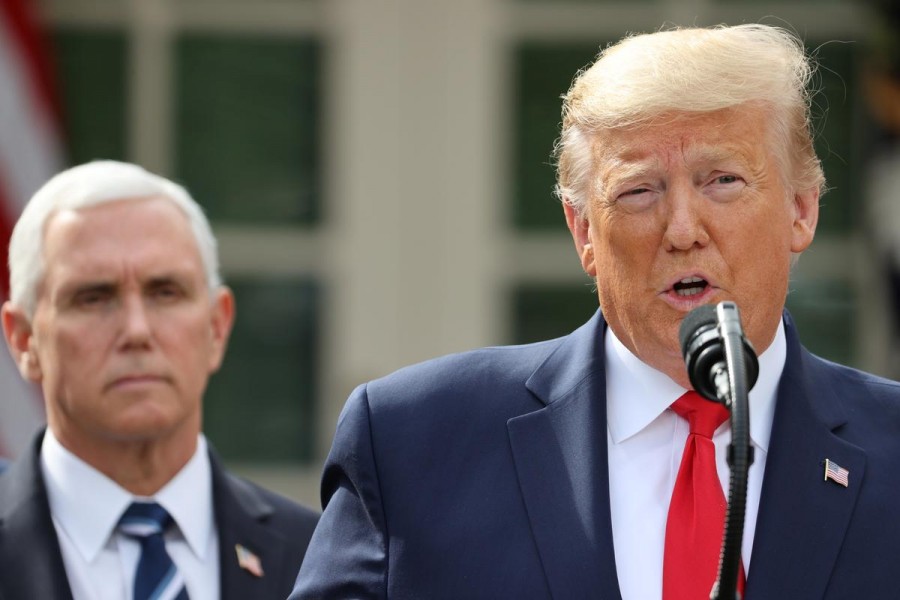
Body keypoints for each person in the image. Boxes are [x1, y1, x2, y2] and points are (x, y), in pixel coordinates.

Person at [292, 24, 900, 599]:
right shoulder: (412, 442)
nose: (683, 229)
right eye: (640, 191)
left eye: (723, 180)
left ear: (802, 210)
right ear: (583, 230)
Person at [0, 160, 319, 600]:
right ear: (23, 339)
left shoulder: (319, 557)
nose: (136, 331)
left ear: (217, 327)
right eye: (93, 298)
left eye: (165, 292)